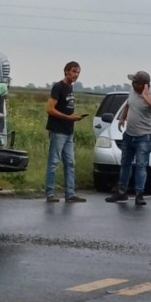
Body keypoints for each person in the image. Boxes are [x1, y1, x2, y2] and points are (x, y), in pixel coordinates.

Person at [106, 70, 151, 206]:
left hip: (144, 136)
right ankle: (121, 191)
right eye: (132, 81)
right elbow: (128, 103)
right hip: (129, 134)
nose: (133, 84)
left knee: (141, 165)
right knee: (125, 163)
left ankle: (139, 194)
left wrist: (145, 96)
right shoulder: (132, 91)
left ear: (145, 85)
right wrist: (123, 117)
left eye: (136, 82)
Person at [45, 61, 87, 203]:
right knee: (54, 162)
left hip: (69, 130)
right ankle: (50, 192)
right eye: (74, 71)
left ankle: (70, 193)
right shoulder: (59, 87)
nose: (76, 75)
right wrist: (68, 117)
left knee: (70, 162)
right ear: (66, 71)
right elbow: (50, 109)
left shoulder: (70, 88)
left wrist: (73, 117)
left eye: (78, 72)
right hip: (58, 130)